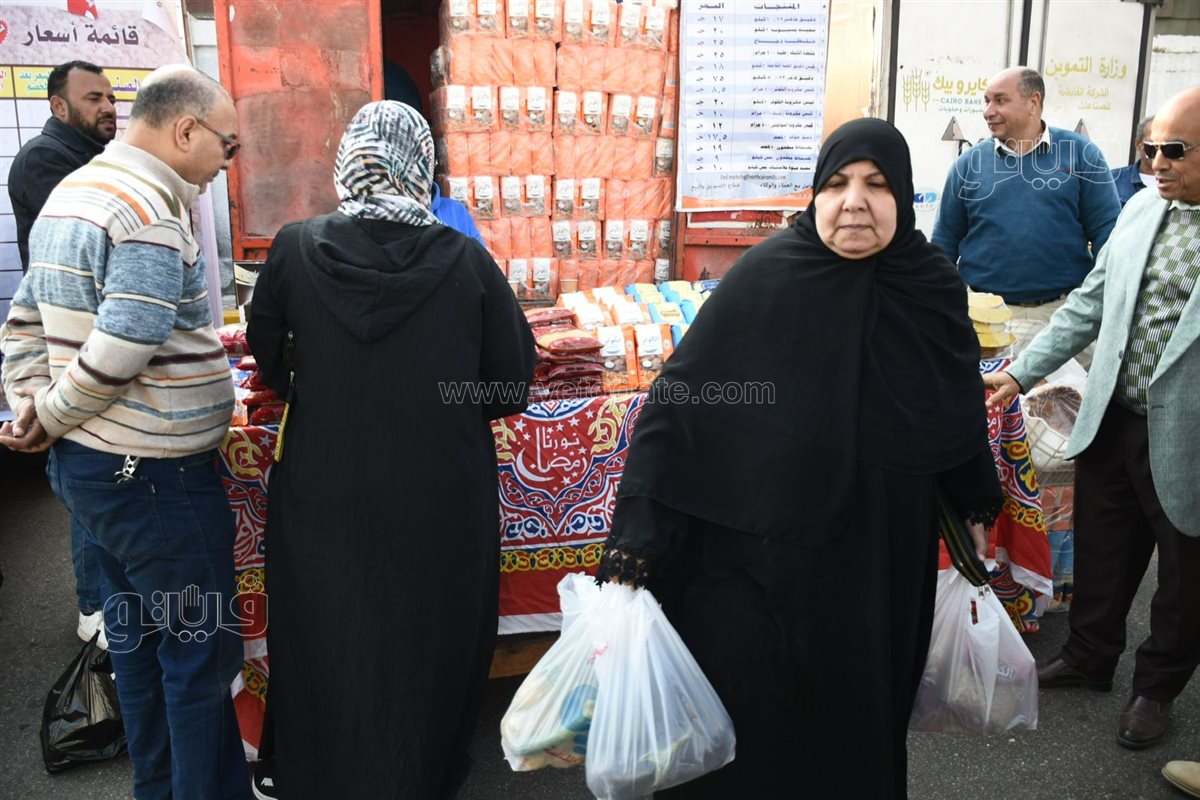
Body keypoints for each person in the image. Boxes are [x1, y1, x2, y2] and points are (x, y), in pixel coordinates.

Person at [595, 118, 1002, 799]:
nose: (854, 202)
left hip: (880, 560)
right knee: (760, 725)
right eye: (837, 184)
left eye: (877, 185)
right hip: (763, 557)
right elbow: (682, 407)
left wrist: (974, 497)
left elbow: (952, 401)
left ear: (903, 196)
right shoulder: (769, 276)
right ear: (815, 195)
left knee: (859, 722)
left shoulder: (930, 284)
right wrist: (638, 540)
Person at [245, 100, 535, 800]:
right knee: (429, 627)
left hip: (325, 482)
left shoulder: (295, 248)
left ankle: (319, 771)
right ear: (421, 166)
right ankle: (418, 773)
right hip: (439, 487)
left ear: (349, 161)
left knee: (327, 621)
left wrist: (322, 392)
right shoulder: (465, 259)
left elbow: (267, 353)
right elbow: (512, 380)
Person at [0, 65, 249, 799]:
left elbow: (24, 320)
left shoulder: (74, 192)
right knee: (198, 653)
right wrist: (46, 415)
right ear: (186, 130)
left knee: (138, 645)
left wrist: (30, 403)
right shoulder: (146, 208)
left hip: (97, 475)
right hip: (154, 483)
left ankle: (159, 788)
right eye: (227, 145)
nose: (226, 163)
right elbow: (125, 343)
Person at [984, 87, 1200, 751]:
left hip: (1189, 433)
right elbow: (1089, 303)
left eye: (1174, 150)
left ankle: (1155, 689)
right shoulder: (1141, 208)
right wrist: (1020, 373)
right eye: (1148, 149)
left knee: (1184, 574)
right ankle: (1089, 656)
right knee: (1104, 549)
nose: (1155, 163)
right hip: (1114, 417)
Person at [6, 59, 117, 648]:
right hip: (66, 340)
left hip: (85, 333)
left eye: (110, 97)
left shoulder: (89, 157)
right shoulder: (46, 161)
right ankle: (92, 605)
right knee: (87, 471)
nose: (108, 107)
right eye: (93, 98)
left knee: (100, 473)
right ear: (58, 106)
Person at [933, 67, 1121, 365]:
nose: (988, 111)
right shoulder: (968, 164)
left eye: (1000, 100)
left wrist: (1099, 307)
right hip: (985, 322)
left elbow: (1109, 239)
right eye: (986, 101)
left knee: (1066, 395)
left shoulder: (1082, 155)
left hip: (1063, 318)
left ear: (1033, 102)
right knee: (985, 396)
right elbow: (944, 242)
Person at [1111, 115, 1156, 207]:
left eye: (1166, 144)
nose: (1160, 150)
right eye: (1153, 144)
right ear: (1138, 145)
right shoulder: (1113, 180)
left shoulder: (1181, 183)